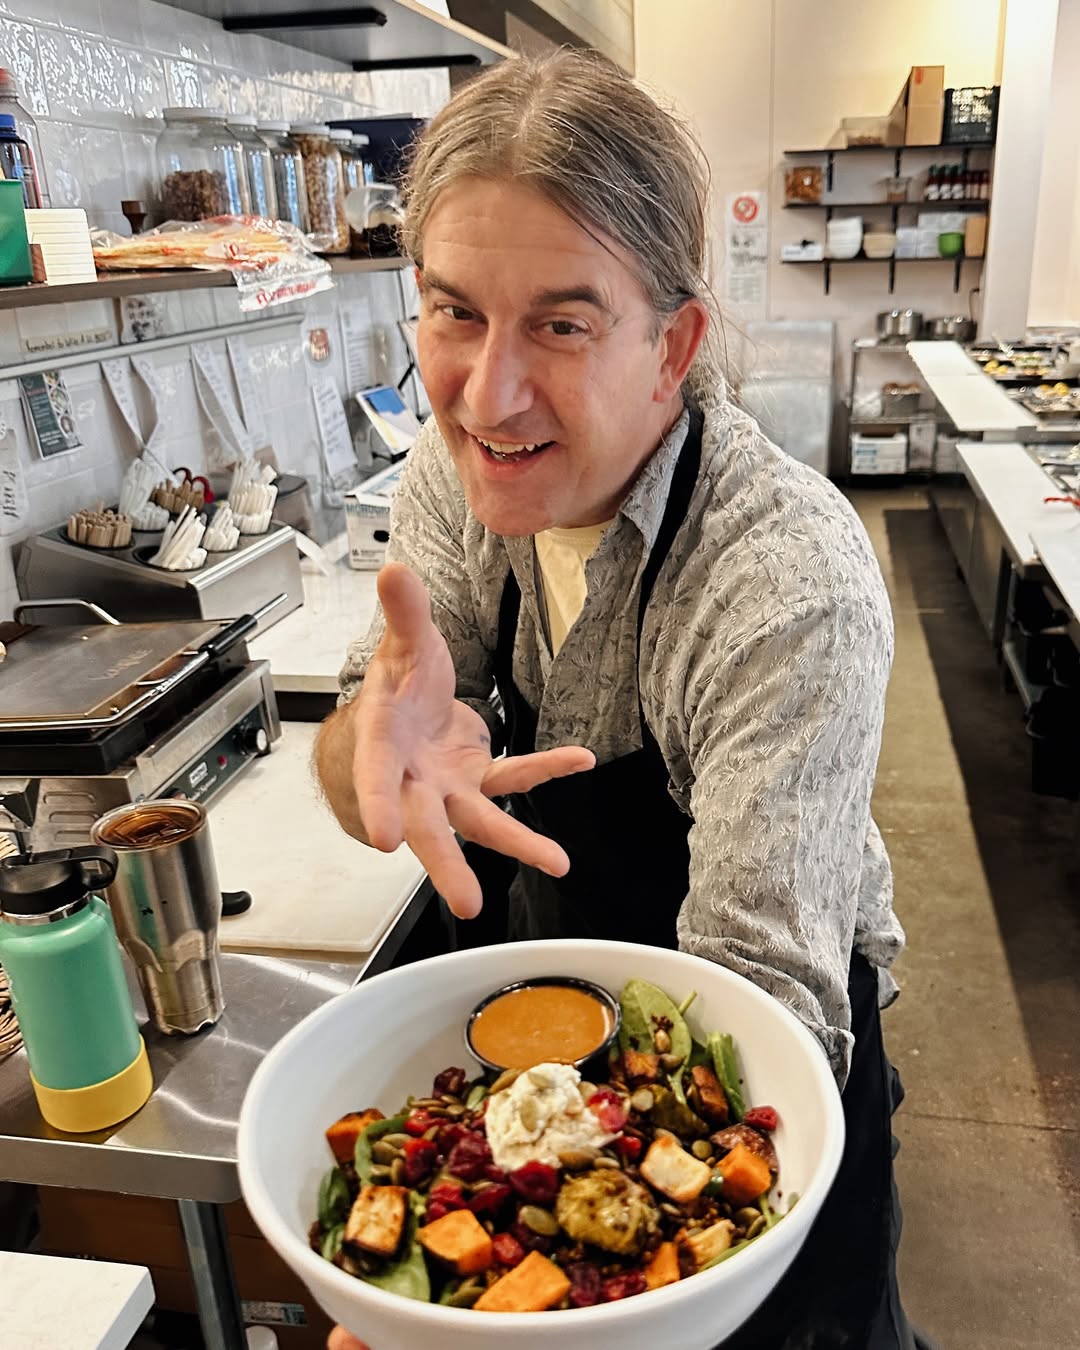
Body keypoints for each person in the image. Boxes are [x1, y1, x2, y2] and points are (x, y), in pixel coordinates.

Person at [315, 47, 919, 1350]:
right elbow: (392, 737)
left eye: (563, 322)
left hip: (763, 1070)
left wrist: (506, 1311)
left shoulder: (781, 580)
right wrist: (370, 736)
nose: (490, 391)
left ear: (676, 342)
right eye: (455, 311)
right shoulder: (464, 463)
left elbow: (755, 1025)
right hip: (572, 1016)